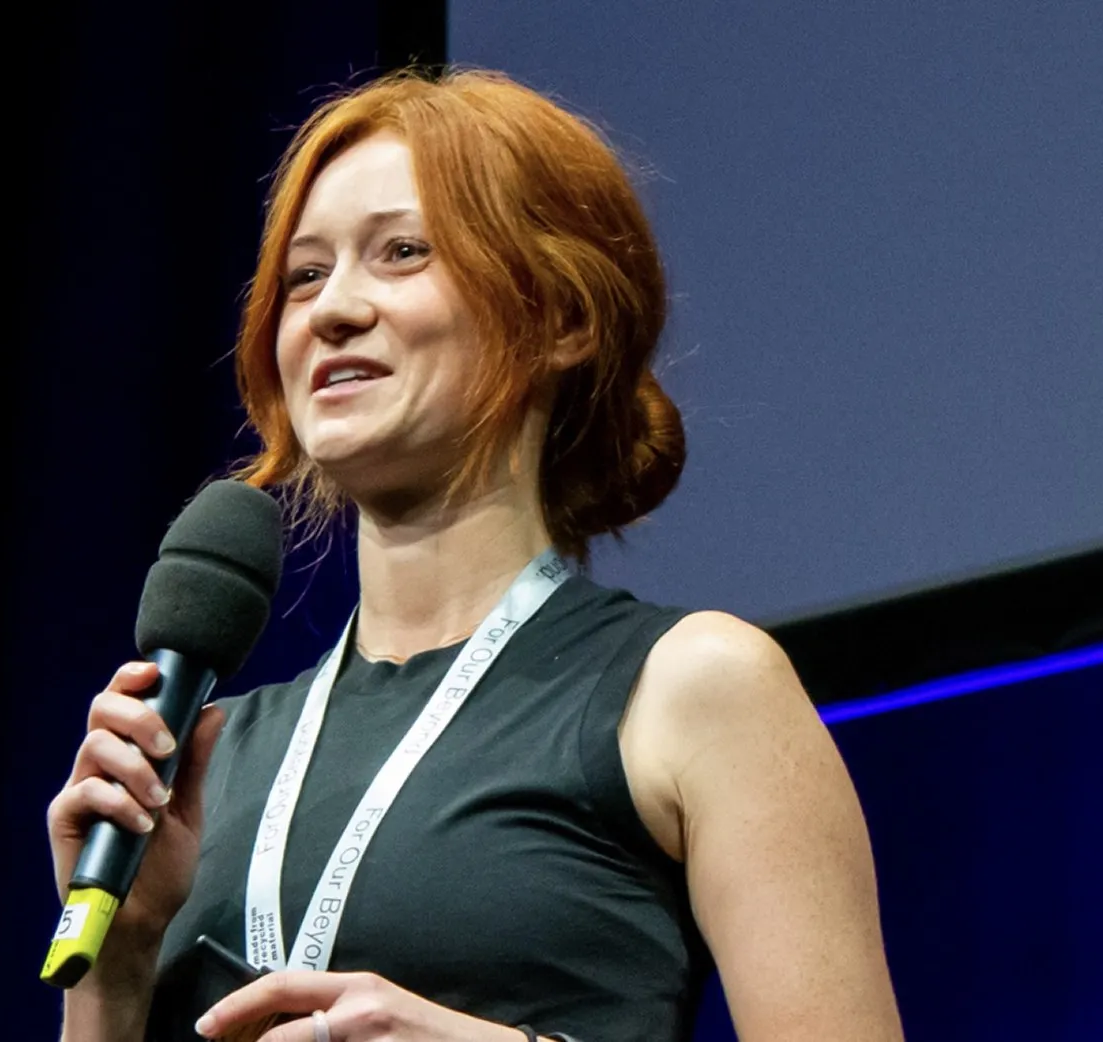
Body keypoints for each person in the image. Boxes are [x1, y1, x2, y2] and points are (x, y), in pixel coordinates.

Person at [47, 68, 903, 1042]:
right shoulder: (207, 757)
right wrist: (113, 977)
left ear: (562, 319)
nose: (333, 309)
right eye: (305, 274)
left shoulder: (694, 689)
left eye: (402, 253)